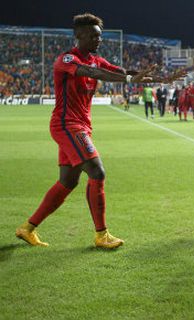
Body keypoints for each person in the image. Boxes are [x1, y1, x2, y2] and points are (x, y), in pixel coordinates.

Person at [14, 13, 182, 249]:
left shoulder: (96, 59)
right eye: (94, 35)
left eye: (100, 36)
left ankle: (27, 228)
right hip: (67, 125)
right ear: (79, 36)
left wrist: (163, 78)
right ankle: (102, 235)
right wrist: (128, 80)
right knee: (97, 171)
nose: (98, 40)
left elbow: (125, 72)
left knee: (67, 182)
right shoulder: (67, 59)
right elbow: (95, 74)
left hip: (80, 126)